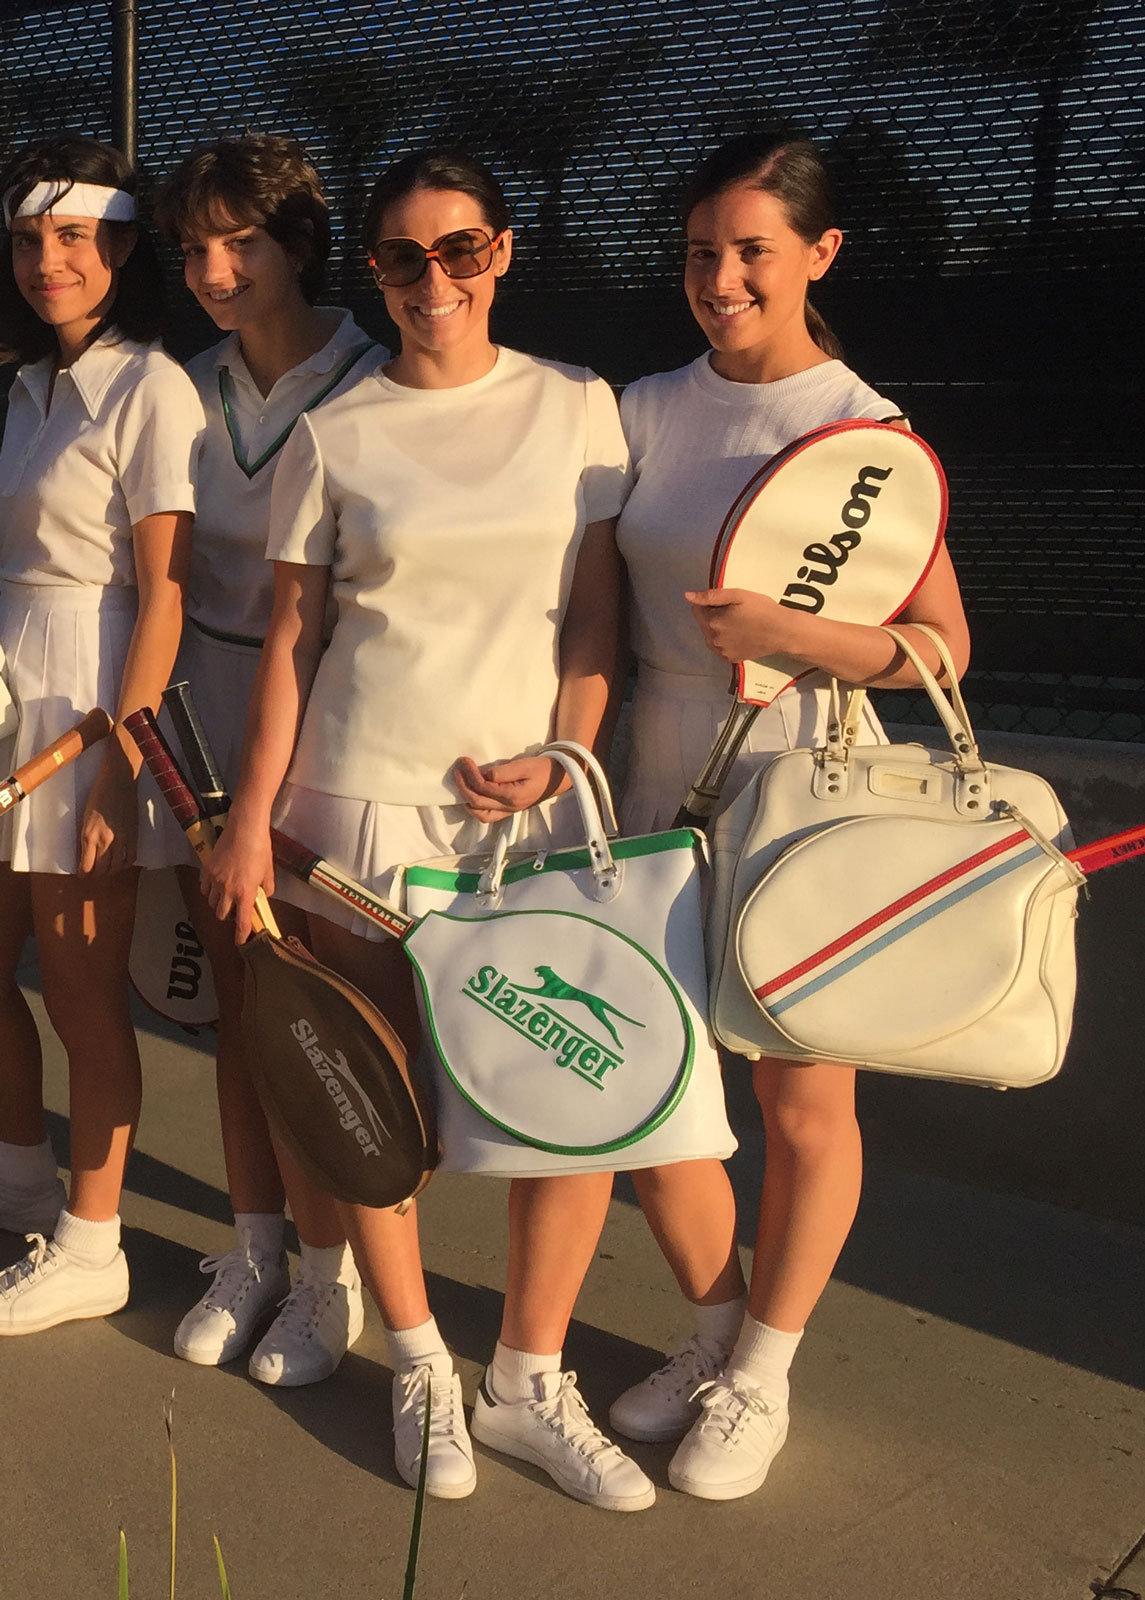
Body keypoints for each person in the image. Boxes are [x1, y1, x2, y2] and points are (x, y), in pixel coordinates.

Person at [202, 148, 652, 1510]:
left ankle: (524, 1379)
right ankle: (415, 1364)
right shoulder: (339, 432)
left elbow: (593, 615)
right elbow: (292, 636)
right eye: (402, 258)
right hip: (348, 813)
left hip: (526, 826)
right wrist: (250, 821)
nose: (432, 281)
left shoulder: (579, 408)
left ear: (502, 252)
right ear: (378, 275)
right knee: (363, 1110)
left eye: (459, 251)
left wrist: (566, 748)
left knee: (572, 1117)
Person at [609, 131, 971, 1500]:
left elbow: (941, 647)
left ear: (818, 254)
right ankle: (707, 1335)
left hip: (800, 781)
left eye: (752, 250)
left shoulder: (862, 431)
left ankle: (761, 1371)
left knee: (800, 1095)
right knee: (645, 1084)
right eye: (703, 251)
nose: (720, 277)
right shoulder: (643, 405)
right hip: (649, 773)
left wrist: (798, 632)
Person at [152, 136, 384, 1384]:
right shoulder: (185, 392)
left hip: (329, 727)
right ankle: (254, 1250)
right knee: (244, 1004)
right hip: (204, 722)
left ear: (297, 241)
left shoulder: (376, 380)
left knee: (319, 1018)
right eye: (194, 247)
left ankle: (333, 1278)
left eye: (240, 241)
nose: (213, 267)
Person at [0, 135, 203, 1332]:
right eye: (28, 239)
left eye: (73, 236)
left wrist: (128, 769)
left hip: (89, 717)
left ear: (123, 246)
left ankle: (93, 1244)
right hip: (4, 693)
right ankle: (21, 1179)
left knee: (81, 988)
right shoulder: (21, 389)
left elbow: (165, 591)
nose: (47, 260)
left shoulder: (152, 387)